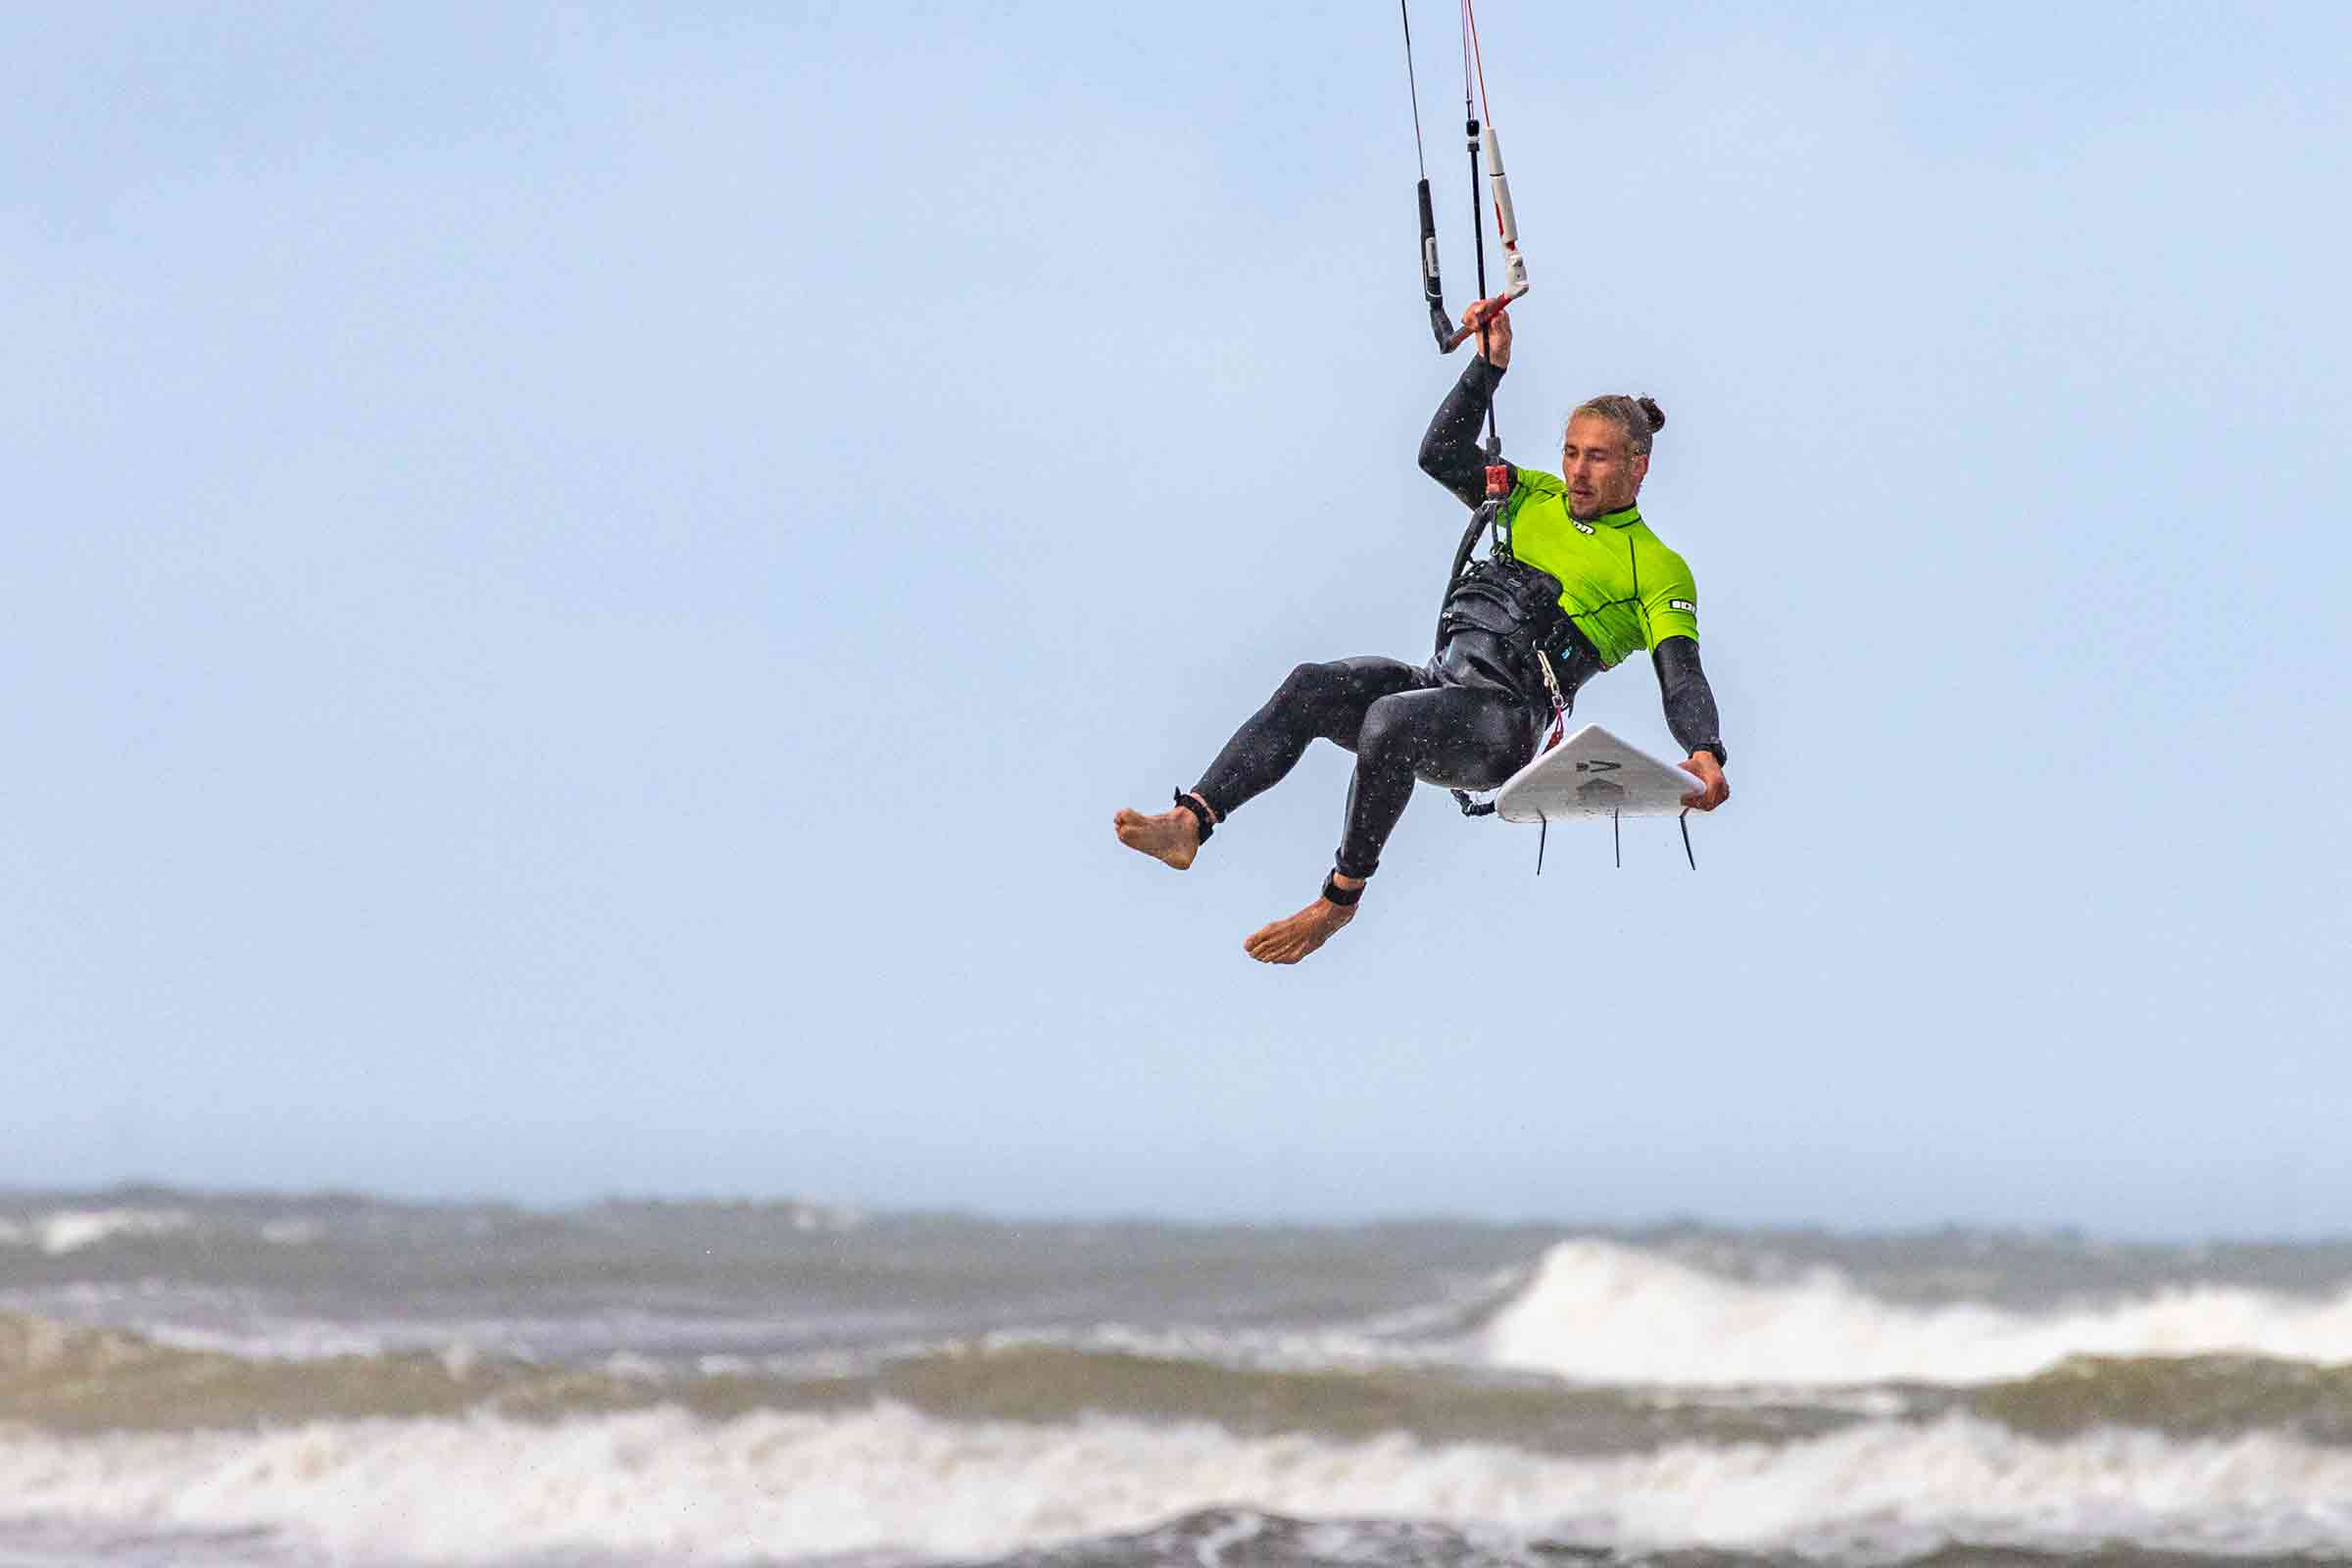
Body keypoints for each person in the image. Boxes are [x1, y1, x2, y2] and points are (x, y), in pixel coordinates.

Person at [1115, 297, 1730, 963]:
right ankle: (1190, 822)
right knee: (1312, 686)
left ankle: (1338, 900)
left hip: (1504, 723)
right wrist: (1487, 367)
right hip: (1442, 686)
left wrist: (1705, 749)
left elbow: (1682, 671)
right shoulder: (1530, 495)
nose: (1577, 471)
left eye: (1599, 459)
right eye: (1571, 453)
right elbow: (1439, 455)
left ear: (1638, 466)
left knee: (1388, 722)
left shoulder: (1658, 567)